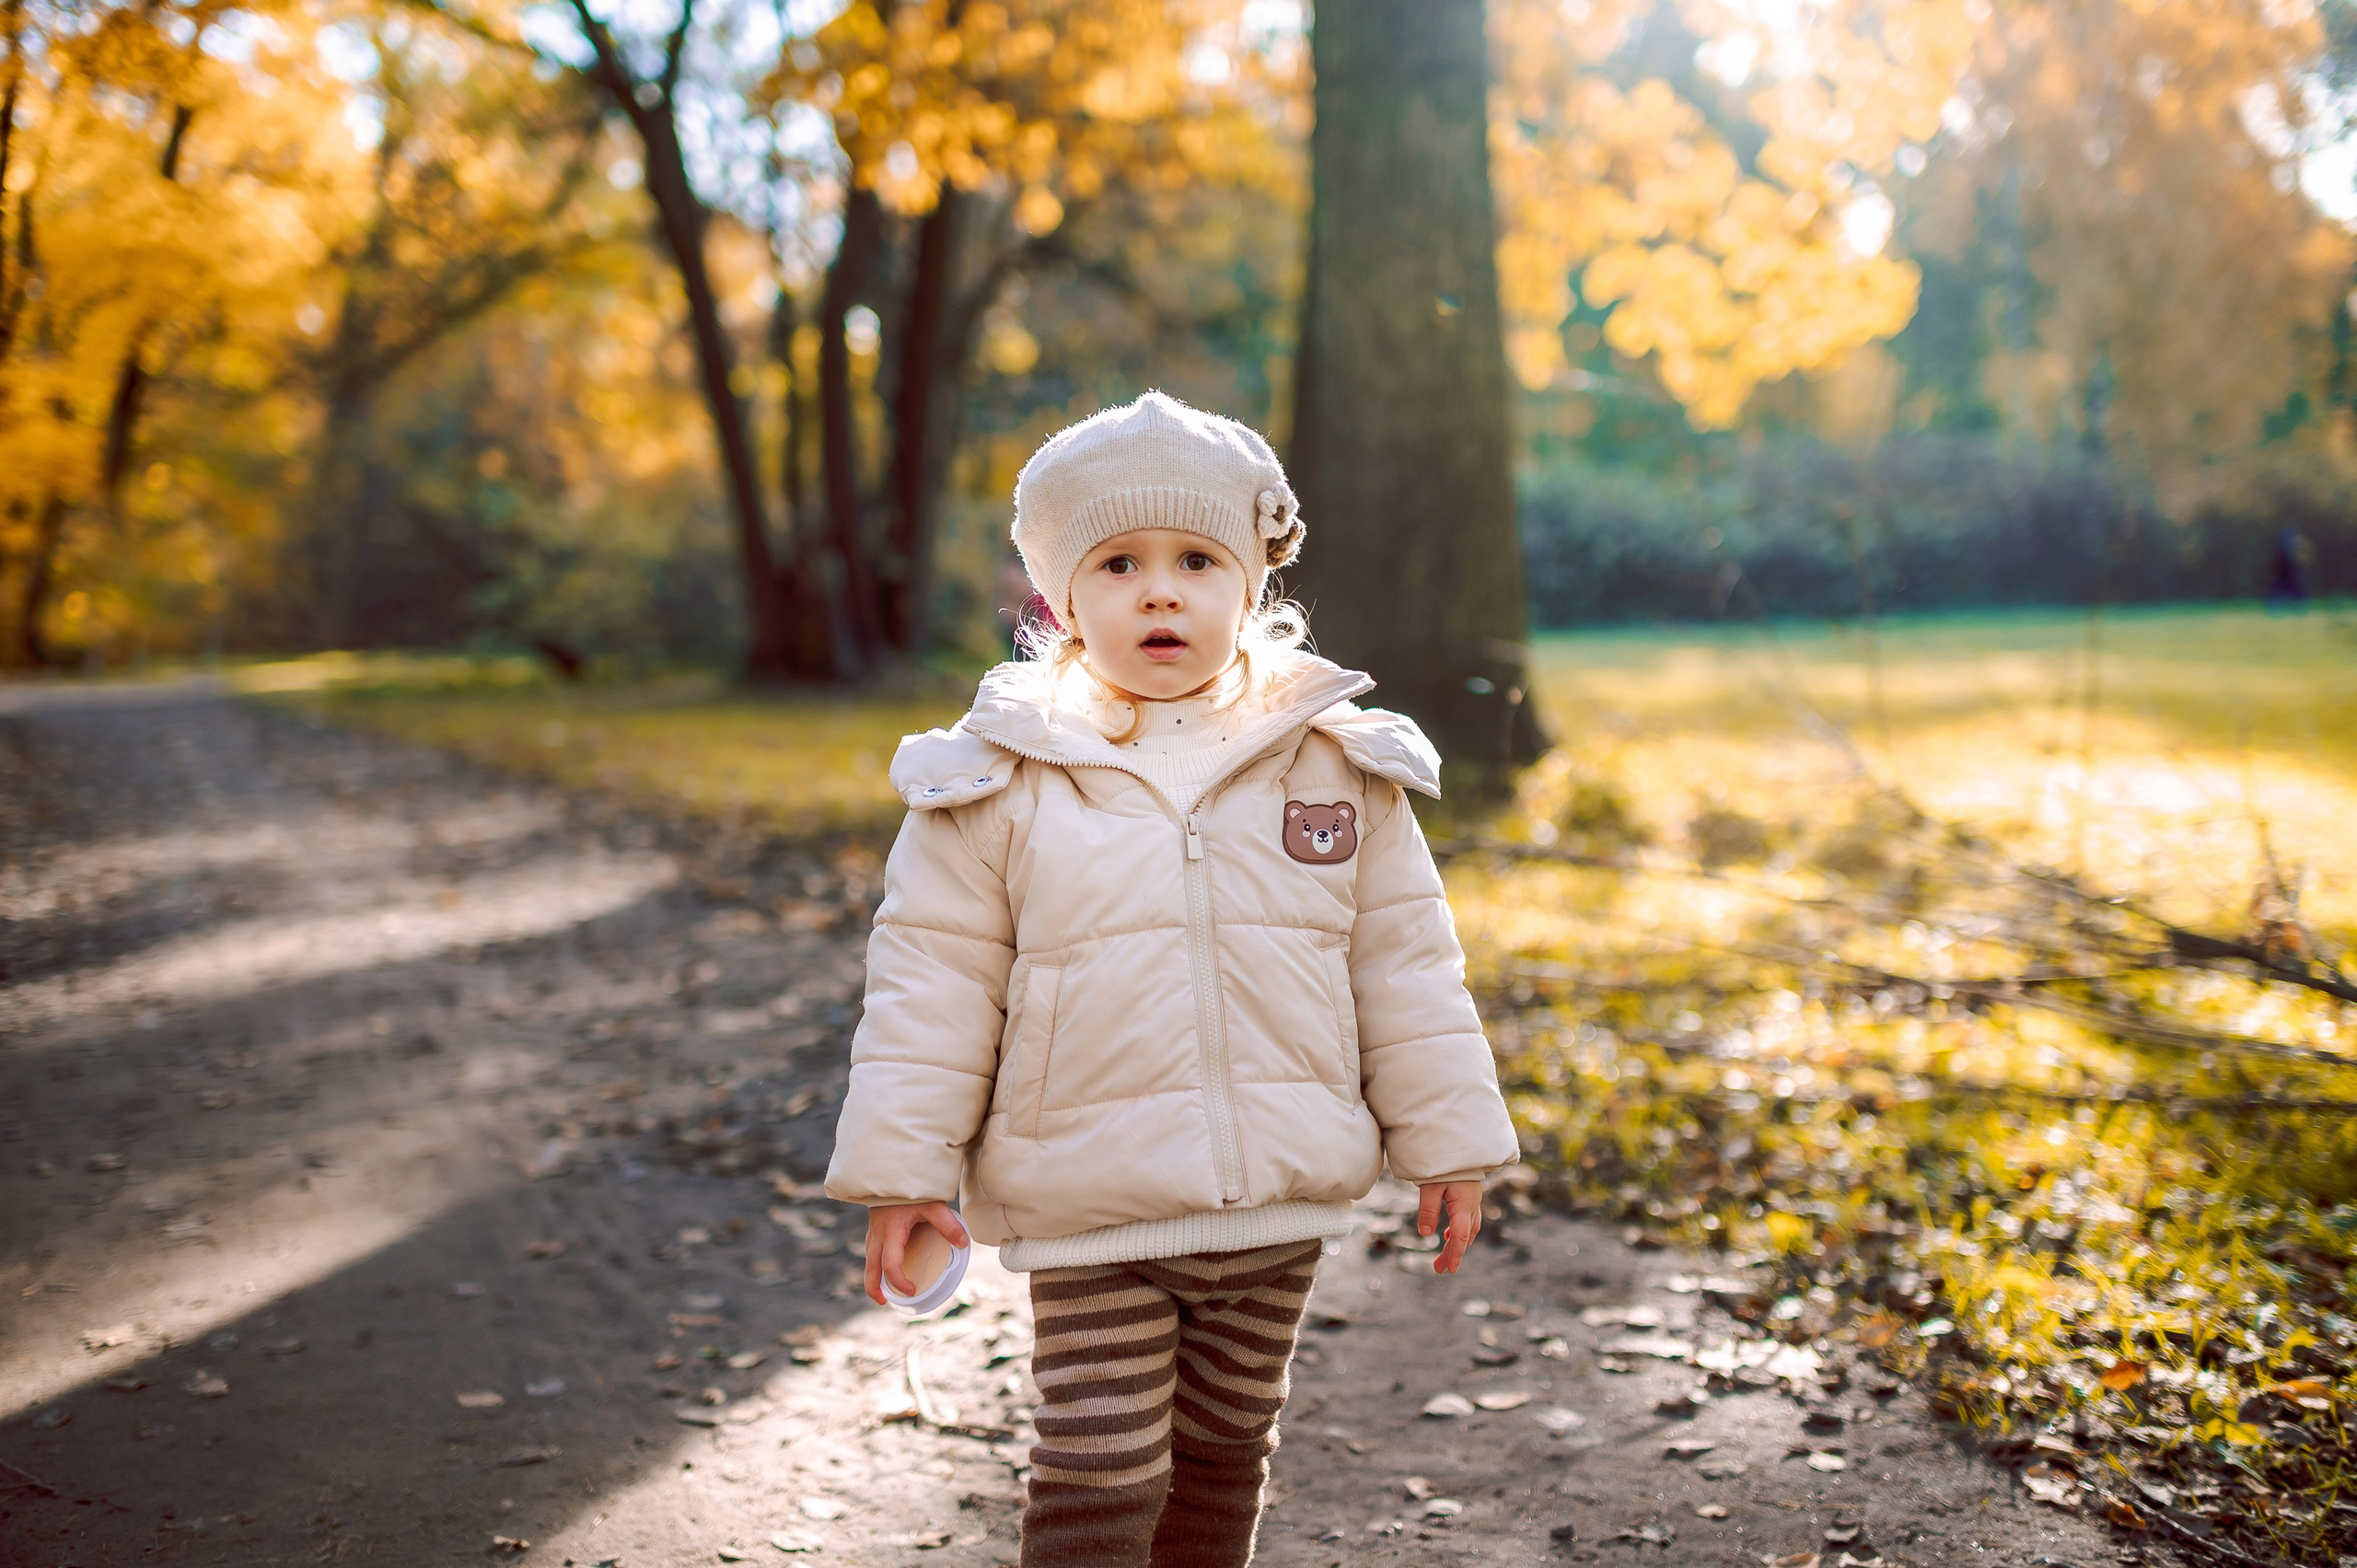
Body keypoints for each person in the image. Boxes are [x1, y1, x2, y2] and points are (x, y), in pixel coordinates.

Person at [824, 390, 1520, 1568]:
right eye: (1118, 563)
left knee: (1222, 1451)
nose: (1159, 589)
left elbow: (1404, 964)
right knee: (1097, 1463)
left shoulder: (1335, 763)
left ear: (1250, 582)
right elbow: (929, 986)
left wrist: (1451, 1140)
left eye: (1196, 557)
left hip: (1278, 1202)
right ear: (1060, 597)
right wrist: (904, 1173)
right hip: (1093, 1203)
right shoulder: (998, 779)